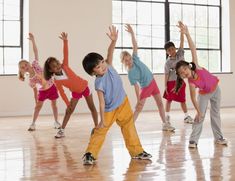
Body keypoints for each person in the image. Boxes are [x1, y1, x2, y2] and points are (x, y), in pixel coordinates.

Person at [82, 26, 152, 165]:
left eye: (101, 62)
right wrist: (102, 120)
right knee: (101, 130)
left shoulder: (109, 65)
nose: (102, 66)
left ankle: (137, 152)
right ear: (93, 73)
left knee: (129, 126)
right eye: (98, 67)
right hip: (109, 110)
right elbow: (101, 103)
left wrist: (113, 41)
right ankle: (90, 154)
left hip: (123, 102)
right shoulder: (99, 84)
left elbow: (109, 52)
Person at [175, 22, 227, 148]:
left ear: (188, 67)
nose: (184, 73)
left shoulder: (196, 66)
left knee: (215, 114)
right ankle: (193, 140)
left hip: (216, 89)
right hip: (204, 95)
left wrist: (187, 33)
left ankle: (219, 138)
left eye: (185, 70)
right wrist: (199, 111)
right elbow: (193, 98)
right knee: (200, 117)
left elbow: (193, 48)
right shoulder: (191, 82)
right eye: (182, 74)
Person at [120, 24, 174, 131]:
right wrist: (138, 99)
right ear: (123, 62)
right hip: (146, 87)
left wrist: (132, 33)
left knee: (160, 103)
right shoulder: (130, 73)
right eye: (126, 60)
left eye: (129, 58)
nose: (129, 61)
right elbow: (136, 86)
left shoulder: (135, 59)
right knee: (139, 107)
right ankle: (129, 125)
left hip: (153, 82)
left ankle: (165, 124)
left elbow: (134, 45)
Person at [44, 32, 98, 138]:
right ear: (50, 70)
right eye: (54, 66)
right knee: (69, 111)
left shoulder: (65, 66)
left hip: (85, 87)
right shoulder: (57, 80)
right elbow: (62, 92)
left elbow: (66, 53)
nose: (58, 66)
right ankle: (62, 130)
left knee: (92, 107)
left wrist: (65, 41)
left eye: (58, 63)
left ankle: (97, 127)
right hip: (75, 92)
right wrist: (67, 103)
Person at [18, 33, 60, 131]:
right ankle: (33, 124)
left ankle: (56, 122)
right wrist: (36, 101)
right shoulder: (31, 80)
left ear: (28, 63)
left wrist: (33, 40)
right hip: (43, 91)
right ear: (22, 71)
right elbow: (35, 91)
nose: (25, 67)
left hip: (52, 87)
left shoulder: (35, 64)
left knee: (54, 105)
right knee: (37, 107)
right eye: (22, 67)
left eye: (25, 64)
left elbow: (36, 51)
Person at [163, 21, 193, 124]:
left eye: (172, 49)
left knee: (182, 100)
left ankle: (186, 116)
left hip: (180, 81)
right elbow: (166, 74)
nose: (171, 51)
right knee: (169, 100)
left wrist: (182, 32)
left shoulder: (180, 53)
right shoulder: (167, 63)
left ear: (175, 48)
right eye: (169, 50)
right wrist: (165, 85)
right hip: (171, 82)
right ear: (167, 52)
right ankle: (166, 117)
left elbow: (181, 42)